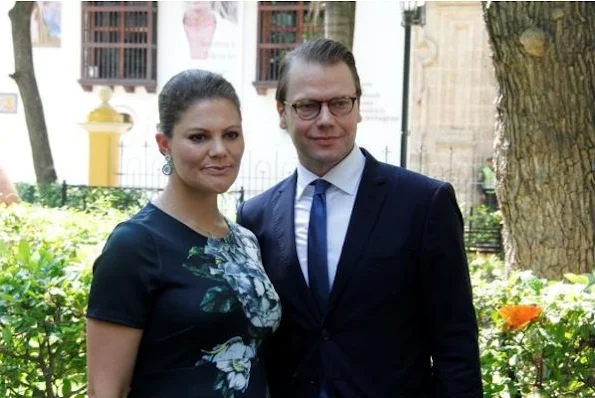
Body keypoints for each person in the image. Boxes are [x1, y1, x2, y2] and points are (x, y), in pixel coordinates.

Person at [236, 39, 482, 397]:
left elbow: (455, 344)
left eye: (339, 103)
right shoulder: (254, 217)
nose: (326, 119)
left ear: (358, 107)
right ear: (281, 112)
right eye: (307, 106)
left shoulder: (424, 204)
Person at [86, 69, 281, 397]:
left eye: (231, 134)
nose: (220, 150)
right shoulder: (134, 246)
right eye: (199, 137)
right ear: (164, 143)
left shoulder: (246, 241)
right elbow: (105, 390)